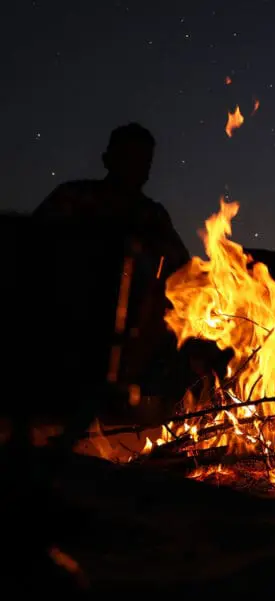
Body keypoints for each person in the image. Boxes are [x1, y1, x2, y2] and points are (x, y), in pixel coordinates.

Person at [31, 123, 208, 411]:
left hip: (138, 331)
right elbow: (32, 247)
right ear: (108, 159)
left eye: (144, 162)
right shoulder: (74, 199)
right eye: (130, 157)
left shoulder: (153, 217)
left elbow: (185, 271)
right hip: (68, 315)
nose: (138, 168)